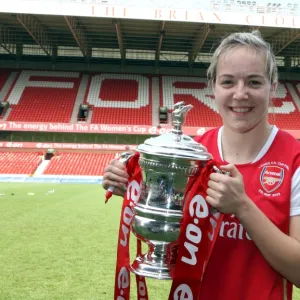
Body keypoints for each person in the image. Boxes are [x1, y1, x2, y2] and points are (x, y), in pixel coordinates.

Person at [102, 31, 300, 300]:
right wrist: (137, 189)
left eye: (254, 82)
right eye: (228, 82)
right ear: (214, 86)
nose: (240, 94)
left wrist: (242, 207)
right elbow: (174, 245)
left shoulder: (294, 157)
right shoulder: (191, 155)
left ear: (273, 86)